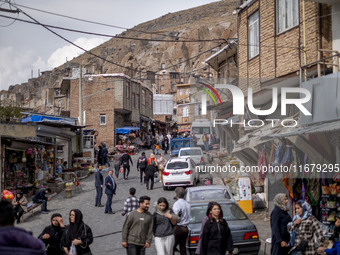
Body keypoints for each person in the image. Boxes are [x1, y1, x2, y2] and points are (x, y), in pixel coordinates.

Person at [172, 187, 191, 255]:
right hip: (185, 228)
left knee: (172, 247)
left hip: (178, 227)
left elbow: (175, 216)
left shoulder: (177, 204)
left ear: (176, 194)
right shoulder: (188, 204)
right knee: (183, 247)